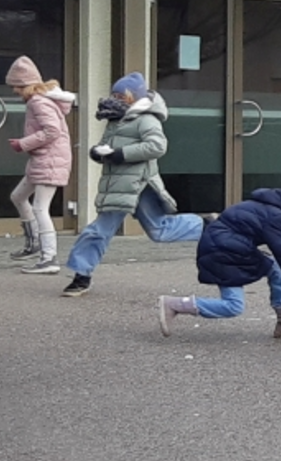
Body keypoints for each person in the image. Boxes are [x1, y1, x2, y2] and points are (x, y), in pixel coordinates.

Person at [60, 72, 204, 297]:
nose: (116, 98)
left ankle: (81, 276)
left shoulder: (146, 119)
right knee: (159, 230)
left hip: (137, 183)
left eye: (121, 95)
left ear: (133, 97)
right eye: (114, 94)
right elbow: (109, 146)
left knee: (99, 230)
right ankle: (206, 224)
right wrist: (99, 152)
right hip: (124, 185)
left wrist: (120, 154)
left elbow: (157, 146)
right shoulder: (117, 119)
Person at [157, 181, 281, 338]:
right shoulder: (276, 216)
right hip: (226, 254)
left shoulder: (263, 206)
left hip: (223, 250)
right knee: (233, 306)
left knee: (276, 267)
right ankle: (175, 305)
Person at [3, 56, 76, 275]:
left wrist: (22, 144)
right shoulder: (42, 100)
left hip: (50, 159)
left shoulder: (37, 102)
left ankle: (49, 258)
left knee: (40, 207)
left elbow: (52, 131)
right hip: (45, 158)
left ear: (26, 85)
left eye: (17, 86)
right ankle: (34, 244)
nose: (15, 91)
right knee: (18, 196)